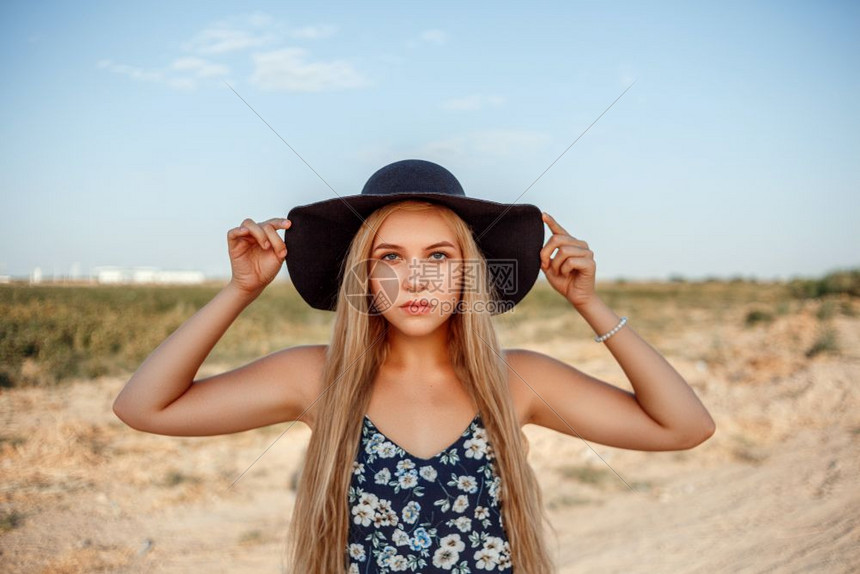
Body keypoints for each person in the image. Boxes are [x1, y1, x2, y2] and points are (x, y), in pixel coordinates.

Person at [113, 159, 716, 573]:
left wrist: (590, 304)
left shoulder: (518, 381)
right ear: (365, 277)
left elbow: (684, 427)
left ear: (468, 272)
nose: (417, 278)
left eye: (439, 255)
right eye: (390, 257)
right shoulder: (317, 380)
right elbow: (144, 407)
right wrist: (240, 291)